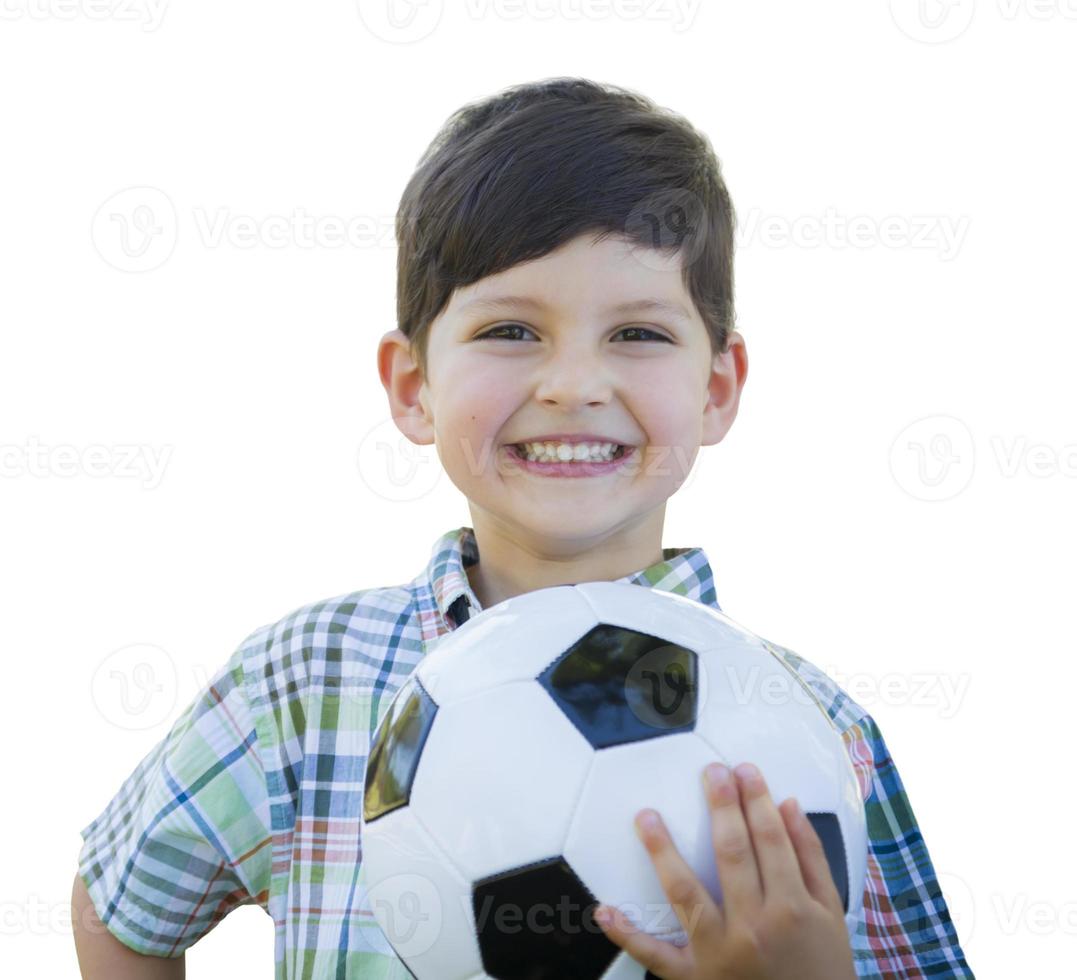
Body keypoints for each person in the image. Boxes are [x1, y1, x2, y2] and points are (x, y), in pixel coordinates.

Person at [72, 76, 974, 979]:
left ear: (716, 388)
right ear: (413, 385)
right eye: (510, 328)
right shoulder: (303, 679)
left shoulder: (810, 730)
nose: (572, 384)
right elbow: (120, 904)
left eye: (638, 335)